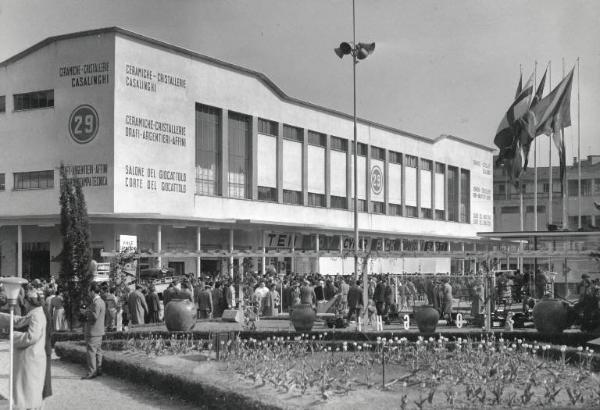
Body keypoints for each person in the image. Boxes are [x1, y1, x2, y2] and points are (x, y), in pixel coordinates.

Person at [0, 286, 48, 409]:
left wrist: (13, 335)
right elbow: (21, 321)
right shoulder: (36, 312)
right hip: (30, 358)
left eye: (25, 301)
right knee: (27, 389)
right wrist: (3, 317)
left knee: (28, 390)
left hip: (31, 359)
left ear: (28, 301)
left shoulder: (36, 315)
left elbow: (32, 337)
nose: (24, 304)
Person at [82, 283, 106, 379]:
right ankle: (98, 370)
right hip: (99, 330)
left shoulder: (96, 303)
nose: (88, 293)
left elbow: (94, 316)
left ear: (92, 291)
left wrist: (85, 312)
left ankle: (92, 372)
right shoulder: (101, 301)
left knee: (91, 352)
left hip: (93, 331)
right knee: (98, 351)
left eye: (89, 291)